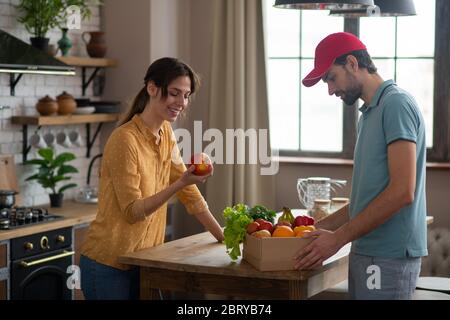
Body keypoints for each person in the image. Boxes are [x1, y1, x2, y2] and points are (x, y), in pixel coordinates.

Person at [294, 32, 427, 300]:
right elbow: (364, 200)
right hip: (369, 251)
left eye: (331, 77)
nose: (330, 89)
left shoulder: (396, 104)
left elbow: (403, 191)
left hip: (388, 254)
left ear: (353, 63)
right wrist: (319, 230)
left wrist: (337, 239)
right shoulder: (368, 114)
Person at [80, 57, 224, 300]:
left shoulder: (165, 133)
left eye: (187, 95)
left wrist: (224, 238)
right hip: (108, 265)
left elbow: (190, 195)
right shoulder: (125, 140)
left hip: (144, 261)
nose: (182, 103)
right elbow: (132, 211)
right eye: (174, 93)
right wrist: (179, 184)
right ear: (152, 88)